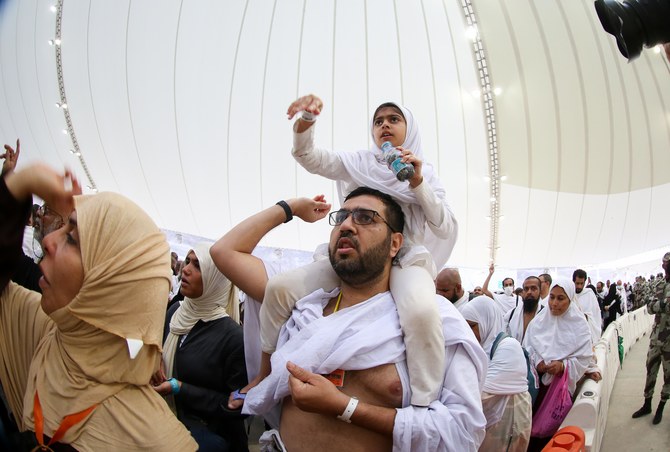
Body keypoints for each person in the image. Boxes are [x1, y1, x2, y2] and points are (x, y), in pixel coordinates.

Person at [238, 187, 487, 450]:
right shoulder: (302, 310)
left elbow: (462, 433)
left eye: (365, 218)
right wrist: (290, 206)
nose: (346, 225)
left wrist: (345, 408)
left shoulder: (433, 320)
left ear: (395, 244)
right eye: (341, 217)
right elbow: (225, 252)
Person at [255, 94, 459, 408]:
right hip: (353, 254)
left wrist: (417, 182)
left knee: (421, 312)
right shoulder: (359, 163)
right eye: (378, 121)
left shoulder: (426, 173)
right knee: (280, 288)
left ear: (410, 128)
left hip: (403, 259)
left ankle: (422, 407)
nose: (385, 125)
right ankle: (264, 375)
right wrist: (307, 121)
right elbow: (309, 156)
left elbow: (444, 226)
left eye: (393, 119)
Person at [0, 162, 196, 450]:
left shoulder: (156, 442)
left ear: (109, 284)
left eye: (71, 238)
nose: (50, 241)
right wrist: (20, 184)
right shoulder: (44, 332)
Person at [152, 243, 248, 451]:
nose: (186, 269)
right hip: (161, 427)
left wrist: (180, 388)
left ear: (216, 280)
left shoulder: (232, 337)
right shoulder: (176, 311)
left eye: (198, 266)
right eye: (187, 261)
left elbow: (238, 406)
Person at [523, 278, 593, 449]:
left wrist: (563, 366)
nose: (554, 303)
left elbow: (584, 357)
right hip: (537, 389)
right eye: (552, 297)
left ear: (570, 299)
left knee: (554, 435)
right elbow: (527, 347)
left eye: (560, 298)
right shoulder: (539, 322)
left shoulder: (580, 326)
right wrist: (538, 362)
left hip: (558, 391)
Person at [461, 296, 532, 452]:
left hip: (509, 422)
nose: (468, 332)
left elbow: (484, 393)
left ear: (487, 320)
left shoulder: (509, 347)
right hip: (492, 424)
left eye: (472, 326)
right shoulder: (478, 348)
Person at [631, 251, 670, 425]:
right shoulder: (660, 284)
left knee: (669, 376)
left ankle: (661, 406)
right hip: (656, 338)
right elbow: (650, 307)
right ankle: (647, 404)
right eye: (664, 263)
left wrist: (660, 305)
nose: (665, 265)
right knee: (650, 372)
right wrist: (664, 305)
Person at [505, 276, 543, 343]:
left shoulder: (545, 315)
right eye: (526, 289)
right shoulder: (511, 315)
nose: (529, 292)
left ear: (540, 291)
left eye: (533, 288)